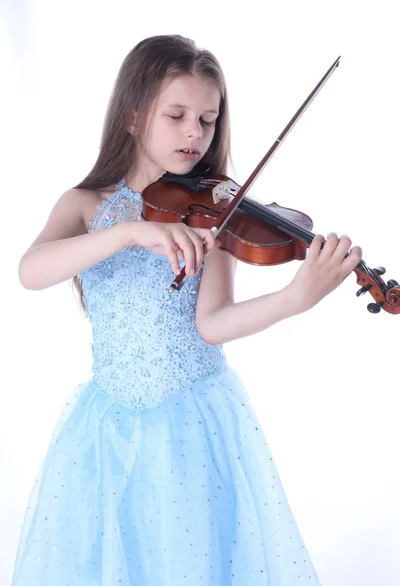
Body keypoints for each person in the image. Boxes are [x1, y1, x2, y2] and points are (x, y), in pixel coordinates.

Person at [13, 34, 361, 585]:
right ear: (132, 116)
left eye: (207, 118)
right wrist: (130, 232)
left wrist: (296, 298)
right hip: (106, 425)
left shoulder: (212, 211)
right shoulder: (85, 206)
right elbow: (31, 271)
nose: (195, 133)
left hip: (191, 424)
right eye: (176, 115)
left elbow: (212, 323)